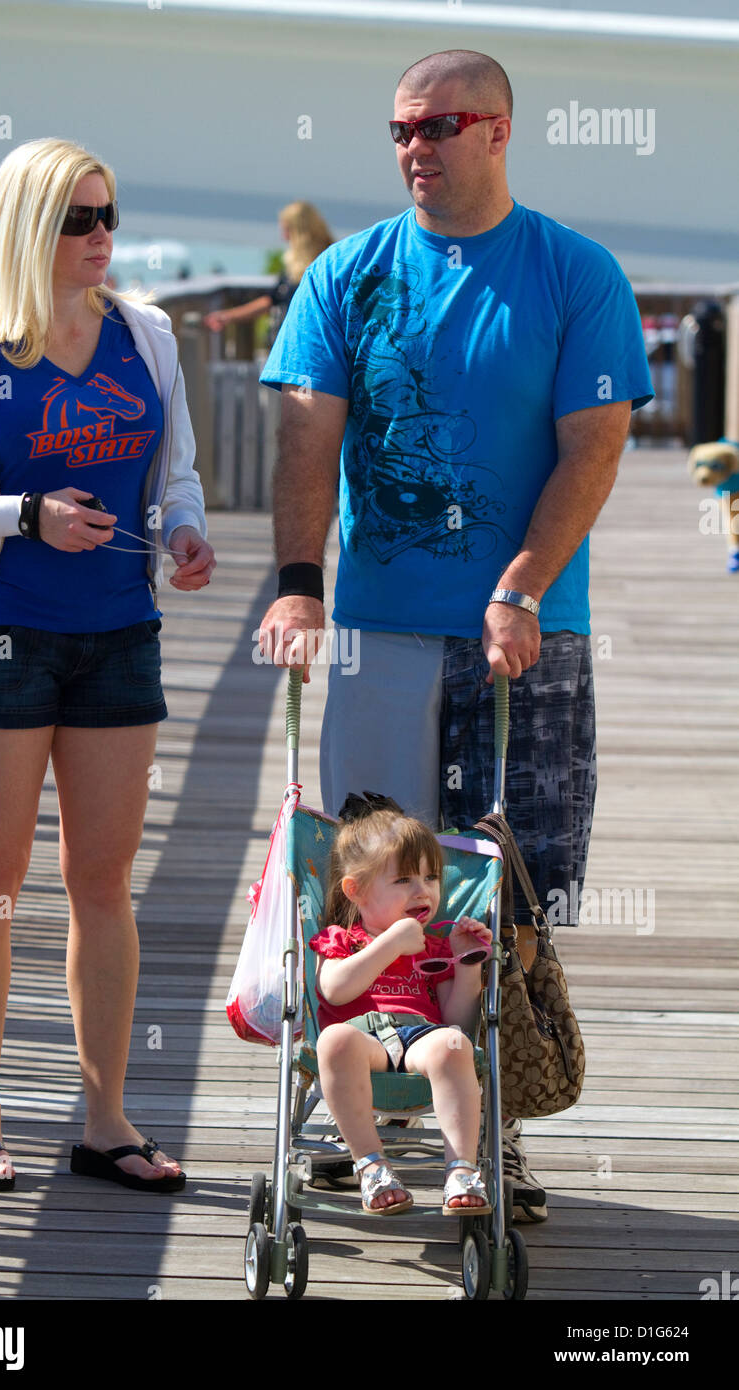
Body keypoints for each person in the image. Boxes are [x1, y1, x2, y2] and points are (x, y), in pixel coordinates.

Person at [257, 50, 654, 1222]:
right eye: (397, 131)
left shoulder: (573, 273)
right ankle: (353, 1115)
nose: (414, 149)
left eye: (438, 127)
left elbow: (594, 445)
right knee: (365, 887)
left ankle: (493, 1129)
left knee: (506, 892)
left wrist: (521, 585)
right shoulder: (346, 275)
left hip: (525, 635)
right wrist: (293, 584)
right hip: (378, 630)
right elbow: (301, 441)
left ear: (499, 133)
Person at [0, 137, 215, 1194]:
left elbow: (180, 474)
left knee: (102, 882)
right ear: (29, 227)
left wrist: (184, 533)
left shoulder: (147, 335)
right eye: (78, 219)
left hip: (119, 638)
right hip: (3, 636)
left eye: (108, 214)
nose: (102, 237)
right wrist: (20, 514)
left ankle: (105, 1119)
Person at [311, 797, 492, 1214]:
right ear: (356, 890)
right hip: (362, 1037)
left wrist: (466, 965)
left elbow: (456, 1021)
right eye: (405, 880)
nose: (423, 890)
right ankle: (372, 1164)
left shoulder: (436, 946)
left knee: (454, 1047)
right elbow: (334, 990)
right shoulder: (344, 940)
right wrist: (389, 944)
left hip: (419, 1037)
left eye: (431, 877)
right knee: (334, 1040)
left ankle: (462, 1169)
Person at [203, 200, 333, 345]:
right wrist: (229, 316)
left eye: (286, 230)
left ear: (298, 232)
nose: (283, 236)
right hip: (293, 343)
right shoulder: (297, 265)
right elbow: (272, 299)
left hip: (310, 343)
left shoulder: (325, 263)